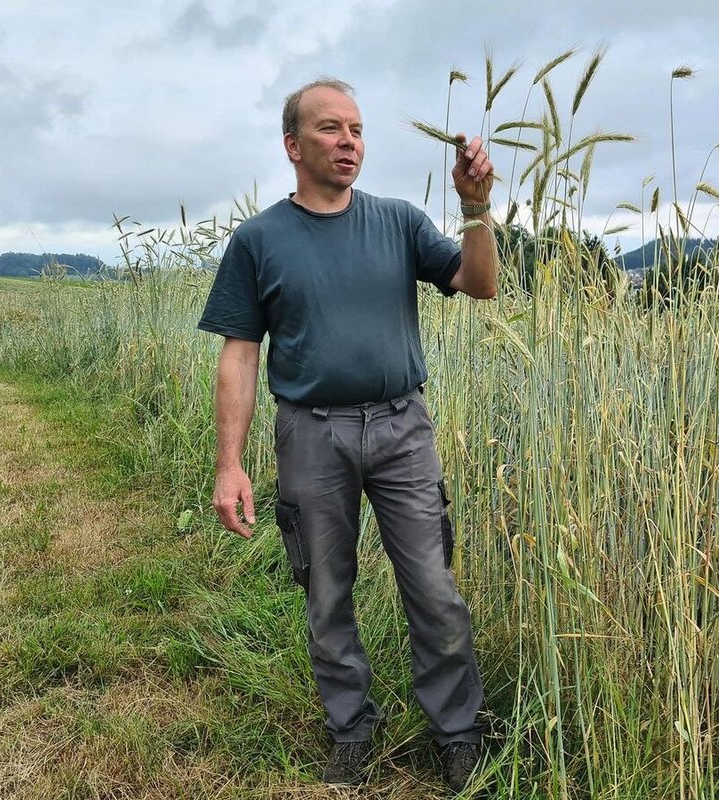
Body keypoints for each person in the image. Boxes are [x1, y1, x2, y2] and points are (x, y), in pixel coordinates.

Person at [197, 77, 497, 791]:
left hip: (402, 430)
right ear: (292, 145)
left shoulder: (398, 222)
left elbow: (481, 285)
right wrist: (229, 465)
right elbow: (239, 355)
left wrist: (476, 208)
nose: (349, 142)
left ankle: (458, 735)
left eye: (357, 130)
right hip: (311, 434)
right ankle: (350, 731)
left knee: (432, 587)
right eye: (330, 129)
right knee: (325, 590)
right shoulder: (258, 240)